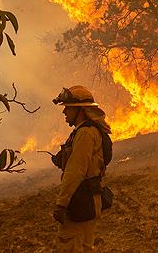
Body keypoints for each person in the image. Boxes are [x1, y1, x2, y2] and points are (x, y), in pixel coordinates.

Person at [51, 85, 112, 252]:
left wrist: (62, 204)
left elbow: (75, 171)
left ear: (80, 111)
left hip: (80, 202)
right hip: (90, 201)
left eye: (68, 109)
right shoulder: (89, 131)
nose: (64, 113)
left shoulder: (85, 134)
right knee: (85, 247)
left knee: (70, 246)